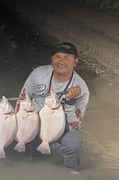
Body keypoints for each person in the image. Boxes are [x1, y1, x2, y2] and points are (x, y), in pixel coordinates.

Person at [18, 42, 89, 171]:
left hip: (63, 125)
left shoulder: (81, 88)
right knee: (18, 144)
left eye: (67, 57)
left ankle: (71, 172)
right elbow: (23, 98)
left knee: (73, 145)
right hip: (35, 121)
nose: (61, 61)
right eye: (57, 56)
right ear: (52, 59)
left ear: (75, 62)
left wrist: (68, 101)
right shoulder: (39, 73)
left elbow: (75, 124)